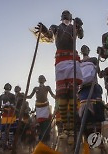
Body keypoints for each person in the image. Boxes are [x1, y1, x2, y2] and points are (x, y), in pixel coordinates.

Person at [35, 10, 84, 144]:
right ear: (62, 18)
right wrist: (45, 31)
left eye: (68, 17)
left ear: (71, 18)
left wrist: (79, 26)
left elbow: (81, 36)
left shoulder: (74, 27)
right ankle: (64, 130)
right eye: (65, 17)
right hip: (60, 62)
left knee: (72, 94)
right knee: (62, 95)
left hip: (72, 59)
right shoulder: (56, 27)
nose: (66, 18)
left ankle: (72, 129)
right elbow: (50, 36)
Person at [78, 45, 105, 138]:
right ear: (81, 51)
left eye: (85, 48)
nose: (84, 49)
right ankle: (90, 142)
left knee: (97, 114)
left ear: (89, 50)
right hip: (83, 90)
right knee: (86, 116)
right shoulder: (78, 62)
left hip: (94, 88)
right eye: (82, 49)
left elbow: (99, 74)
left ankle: (98, 139)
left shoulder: (94, 59)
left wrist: (106, 72)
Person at [26, 75, 55, 144]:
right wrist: (23, 96)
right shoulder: (35, 88)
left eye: (42, 78)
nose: (41, 79)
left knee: (47, 123)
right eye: (40, 78)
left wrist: (58, 96)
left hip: (45, 106)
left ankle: (46, 140)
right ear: (38, 80)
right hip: (38, 108)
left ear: (45, 80)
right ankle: (41, 140)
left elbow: (53, 95)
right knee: (41, 124)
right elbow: (30, 96)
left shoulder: (47, 88)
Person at [0, 83, 16, 149]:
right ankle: (4, 143)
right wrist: (0, 107)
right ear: (4, 87)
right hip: (5, 114)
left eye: (8, 86)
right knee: (3, 129)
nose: (7, 87)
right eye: (6, 86)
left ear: (10, 88)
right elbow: (0, 105)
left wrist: (10, 105)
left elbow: (15, 104)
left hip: (11, 113)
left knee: (11, 129)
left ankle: (10, 144)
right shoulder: (1, 96)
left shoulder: (12, 95)